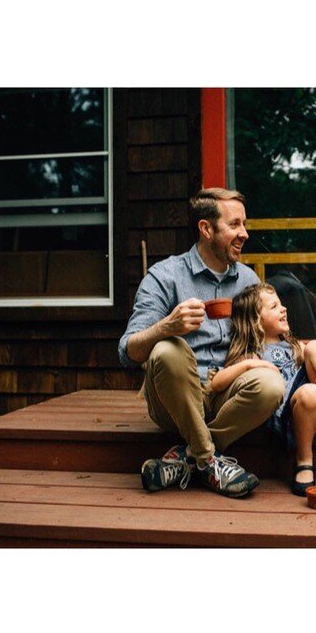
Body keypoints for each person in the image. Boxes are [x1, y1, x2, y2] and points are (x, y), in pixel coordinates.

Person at [118, 188, 286, 498]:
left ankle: (187, 458)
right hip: (176, 397)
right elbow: (128, 351)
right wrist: (168, 326)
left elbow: (265, 339)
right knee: (169, 349)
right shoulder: (164, 276)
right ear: (206, 229)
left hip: (225, 392)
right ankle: (210, 459)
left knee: (272, 384)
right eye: (234, 225)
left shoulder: (247, 280)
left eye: (244, 224)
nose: (245, 234)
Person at [209, 283, 316, 495]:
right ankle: (304, 463)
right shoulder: (251, 354)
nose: (284, 308)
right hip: (293, 418)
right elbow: (216, 383)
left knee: (315, 347)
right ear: (256, 320)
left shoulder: (295, 347)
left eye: (281, 304)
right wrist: (251, 364)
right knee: (311, 391)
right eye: (274, 306)